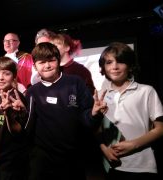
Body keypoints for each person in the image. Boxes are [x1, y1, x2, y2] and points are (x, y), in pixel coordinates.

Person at [25, 42, 107, 180]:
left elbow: (86, 119)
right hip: (43, 159)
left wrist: (94, 113)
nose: (47, 66)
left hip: (73, 157)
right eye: (42, 62)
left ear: (58, 61)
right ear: (35, 66)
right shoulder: (33, 91)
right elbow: (28, 125)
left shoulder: (75, 82)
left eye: (51, 60)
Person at [97, 42, 163, 180]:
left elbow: (160, 129)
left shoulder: (146, 91)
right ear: (103, 67)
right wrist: (104, 149)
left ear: (130, 65)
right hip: (110, 165)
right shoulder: (99, 95)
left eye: (120, 61)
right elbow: (96, 130)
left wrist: (134, 144)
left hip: (142, 165)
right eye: (109, 62)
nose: (114, 67)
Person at [0, 56, 29, 180]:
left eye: (6, 73)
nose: (0, 77)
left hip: (12, 159)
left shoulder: (17, 98)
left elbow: (17, 131)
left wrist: (8, 113)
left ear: (14, 76)